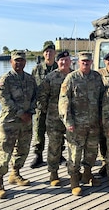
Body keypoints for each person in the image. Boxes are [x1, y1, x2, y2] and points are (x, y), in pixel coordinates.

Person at [59, 51, 105, 196]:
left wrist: (102, 117)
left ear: (91, 62)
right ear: (78, 62)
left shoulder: (97, 77)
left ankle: (87, 174)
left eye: (88, 61)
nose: (85, 64)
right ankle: (74, 180)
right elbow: (63, 101)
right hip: (76, 125)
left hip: (93, 123)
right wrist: (68, 121)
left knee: (91, 151)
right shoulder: (71, 78)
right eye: (83, 61)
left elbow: (102, 99)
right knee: (75, 153)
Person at [0, 50, 37, 199]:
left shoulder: (30, 79)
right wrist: (20, 113)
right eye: (16, 60)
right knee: (5, 151)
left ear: (25, 62)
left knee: (23, 149)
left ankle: (15, 174)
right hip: (10, 121)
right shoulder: (5, 79)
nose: (19, 63)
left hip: (26, 122)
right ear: (11, 62)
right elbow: (4, 101)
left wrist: (30, 112)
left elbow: (34, 98)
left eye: (22, 60)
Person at [37, 50, 72, 186]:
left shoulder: (75, 76)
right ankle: (53, 173)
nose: (64, 62)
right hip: (54, 118)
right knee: (54, 146)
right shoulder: (50, 78)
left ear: (70, 61)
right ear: (57, 62)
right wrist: (48, 111)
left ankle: (73, 172)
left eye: (66, 60)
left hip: (72, 118)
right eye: (61, 60)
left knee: (73, 146)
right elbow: (42, 97)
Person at [30, 40, 60, 168]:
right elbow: (31, 88)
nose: (49, 54)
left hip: (56, 107)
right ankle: (38, 155)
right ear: (43, 54)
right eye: (46, 51)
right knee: (39, 131)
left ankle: (59, 153)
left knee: (58, 131)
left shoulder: (60, 69)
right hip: (40, 107)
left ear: (55, 53)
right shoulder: (37, 69)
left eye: (51, 51)